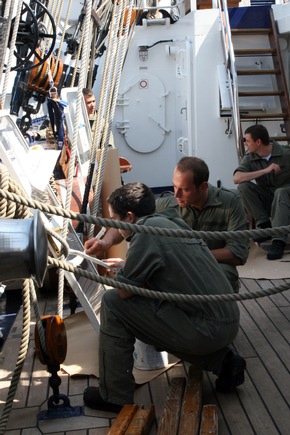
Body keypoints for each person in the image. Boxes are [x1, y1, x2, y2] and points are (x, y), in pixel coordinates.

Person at [83, 182, 246, 412]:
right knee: (162, 318)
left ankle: (114, 396)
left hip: (207, 330)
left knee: (113, 304)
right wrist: (125, 263)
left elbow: (123, 292)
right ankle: (225, 363)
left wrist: (121, 272)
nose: (113, 227)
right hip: (227, 321)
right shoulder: (169, 221)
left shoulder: (145, 235)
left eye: (114, 220)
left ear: (129, 217)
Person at [84, 157, 249, 293]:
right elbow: (130, 222)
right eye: (174, 186)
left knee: (225, 275)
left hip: (214, 266)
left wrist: (192, 255)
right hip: (180, 267)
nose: (176, 194)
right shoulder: (169, 203)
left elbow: (238, 253)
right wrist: (106, 242)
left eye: (184, 189)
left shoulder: (230, 202)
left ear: (203, 186)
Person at [233, 124, 290, 260]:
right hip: (268, 199)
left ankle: (278, 240)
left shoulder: (286, 154)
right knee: (243, 187)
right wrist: (265, 170)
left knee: (281, 192)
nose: (246, 144)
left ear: (258, 142)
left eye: (247, 141)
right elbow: (237, 178)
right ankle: (265, 226)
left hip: (286, 199)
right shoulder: (250, 157)